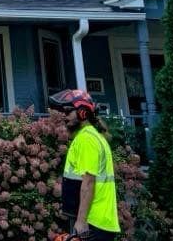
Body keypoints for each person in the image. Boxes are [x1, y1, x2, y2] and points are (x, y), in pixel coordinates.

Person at [49, 89, 121, 241]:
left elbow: (88, 182)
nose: (64, 116)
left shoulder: (86, 140)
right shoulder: (92, 136)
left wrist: (81, 222)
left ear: (82, 112)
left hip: (93, 221)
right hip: (98, 220)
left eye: (68, 111)